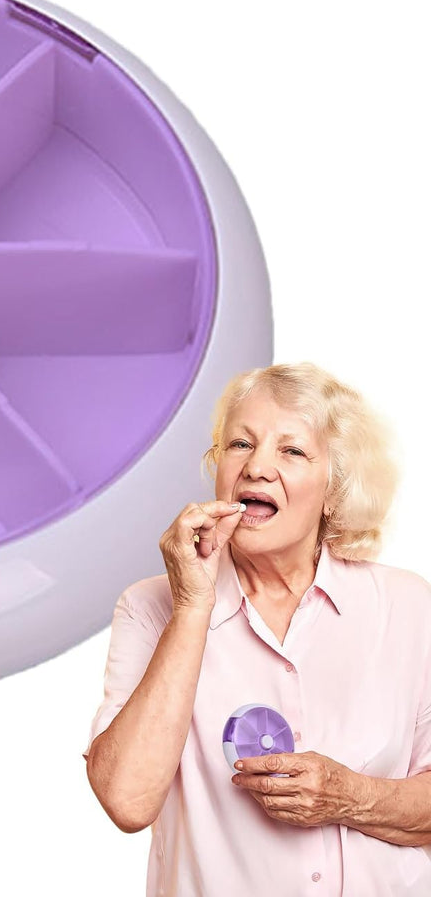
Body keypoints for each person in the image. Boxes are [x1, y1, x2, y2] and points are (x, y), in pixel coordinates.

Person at [82, 362, 431, 895]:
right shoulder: (150, 608)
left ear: (334, 490)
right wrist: (192, 607)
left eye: (292, 451)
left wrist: (348, 796)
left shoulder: (408, 606)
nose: (257, 467)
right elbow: (127, 801)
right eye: (240, 444)